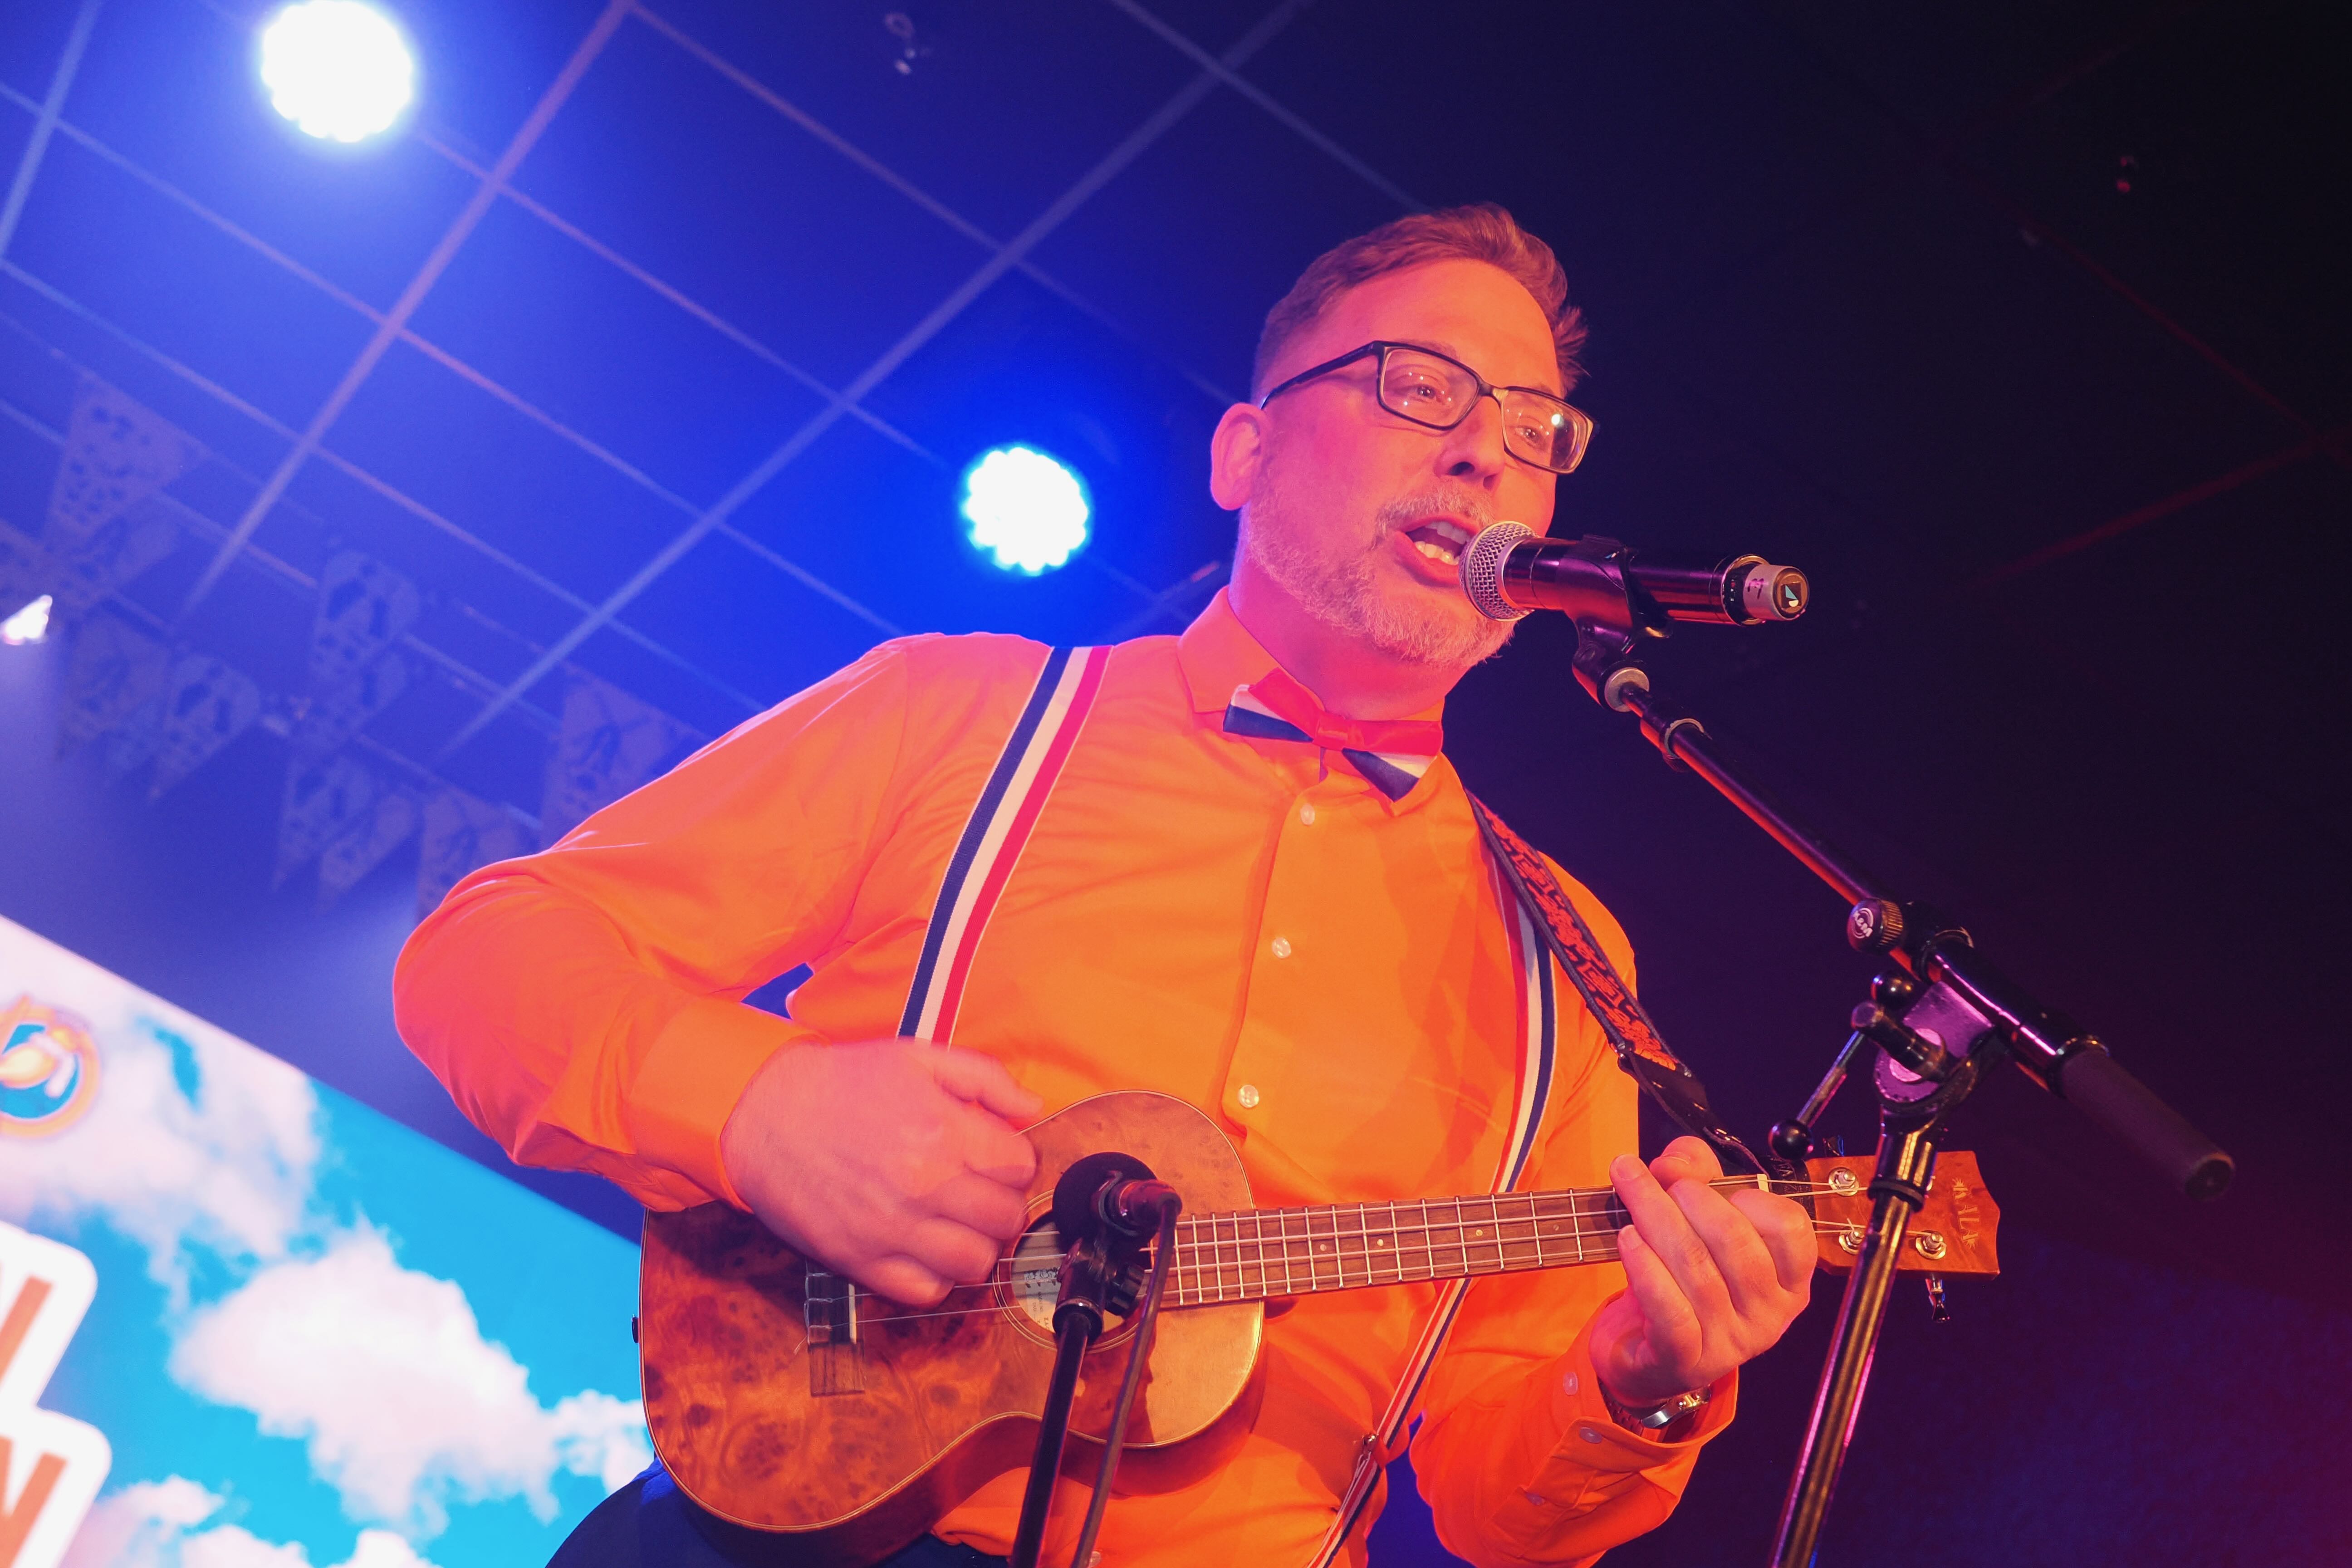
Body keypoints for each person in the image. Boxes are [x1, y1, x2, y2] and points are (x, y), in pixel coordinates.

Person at [394, 203, 1813, 1568]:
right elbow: (486, 954)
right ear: (1246, 452)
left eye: (1533, 427)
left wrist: (1644, 1385)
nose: (1483, 456)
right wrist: (757, 1108)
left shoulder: (1566, 959)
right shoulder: (959, 712)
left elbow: (1502, 1513)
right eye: (1421, 388)